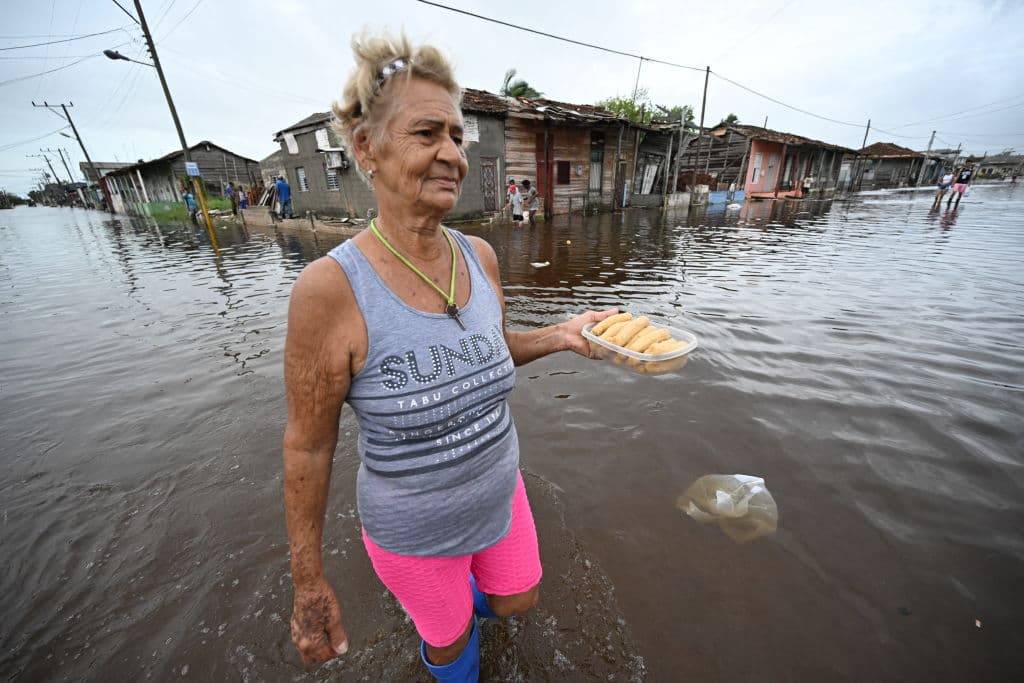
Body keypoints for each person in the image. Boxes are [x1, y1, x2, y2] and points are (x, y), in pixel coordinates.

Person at [282, 32, 617, 682]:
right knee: (451, 641)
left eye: (458, 137)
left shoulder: (479, 255)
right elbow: (307, 447)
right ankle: (443, 627)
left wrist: (565, 333)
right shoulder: (330, 290)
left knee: (518, 598)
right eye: (427, 133)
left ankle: (457, 603)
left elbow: (490, 352)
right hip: (413, 528)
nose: (452, 155)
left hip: (500, 491)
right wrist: (309, 580)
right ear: (367, 149)